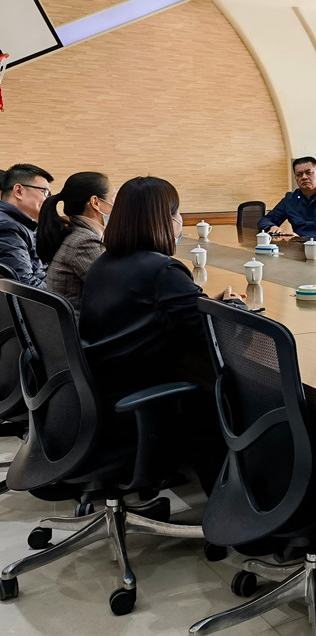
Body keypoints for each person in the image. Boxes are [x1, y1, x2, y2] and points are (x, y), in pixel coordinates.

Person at [80, 177, 241, 490]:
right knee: (225, 389)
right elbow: (213, 337)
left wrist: (202, 305)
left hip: (100, 396)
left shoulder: (104, 264)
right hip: (134, 404)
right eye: (177, 212)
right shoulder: (163, 270)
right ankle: (232, 498)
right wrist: (236, 309)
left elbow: (160, 310)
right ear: (163, 219)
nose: (180, 220)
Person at [36, 171, 116, 317]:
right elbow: (115, 289)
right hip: (83, 328)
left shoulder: (75, 232)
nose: (117, 206)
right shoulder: (84, 242)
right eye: (114, 198)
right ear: (95, 202)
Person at [258, 156, 316, 241]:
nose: (304, 177)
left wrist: (301, 238)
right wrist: (272, 227)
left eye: (308, 172)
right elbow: (265, 220)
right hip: (299, 246)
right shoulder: (290, 199)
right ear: (296, 178)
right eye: (299, 174)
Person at [0, 163, 53, 288]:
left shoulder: (20, 224)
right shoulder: (7, 226)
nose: (47, 199)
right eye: (44, 192)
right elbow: (24, 284)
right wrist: (63, 290)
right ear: (19, 191)